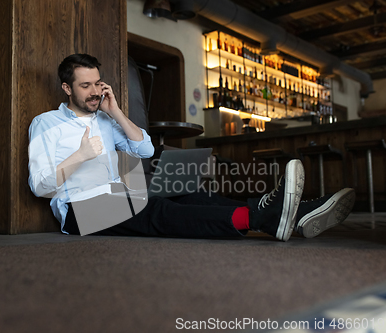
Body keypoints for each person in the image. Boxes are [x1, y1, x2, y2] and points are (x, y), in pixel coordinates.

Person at [28, 53, 355, 241]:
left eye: (97, 84)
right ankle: (262, 217)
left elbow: (144, 151)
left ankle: (294, 214)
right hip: (78, 212)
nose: (94, 92)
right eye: (85, 86)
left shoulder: (106, 120)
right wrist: (81, 155)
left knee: (189, 193)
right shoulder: (46, 124)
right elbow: (40, 186)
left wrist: (115, 111)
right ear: (67, 88)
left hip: (119, 194)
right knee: (154, 211)